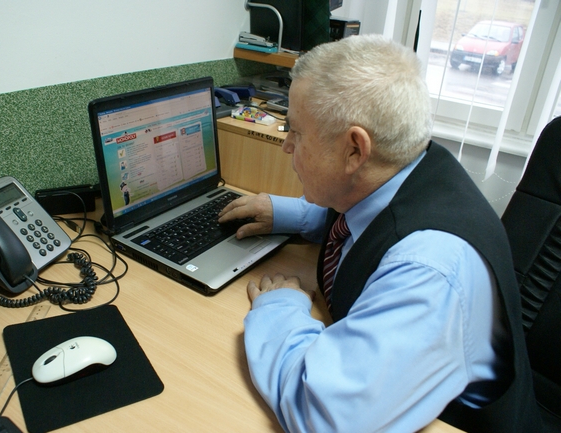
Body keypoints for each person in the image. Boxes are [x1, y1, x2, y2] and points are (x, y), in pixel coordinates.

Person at [218, 34, 542, 432]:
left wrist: (281, 308)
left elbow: (323, 417)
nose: (287, 146)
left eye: (296, 132)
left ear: (355, 150)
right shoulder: (409, 167)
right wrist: (291, 214)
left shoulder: (429, 271)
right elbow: (369, 218)